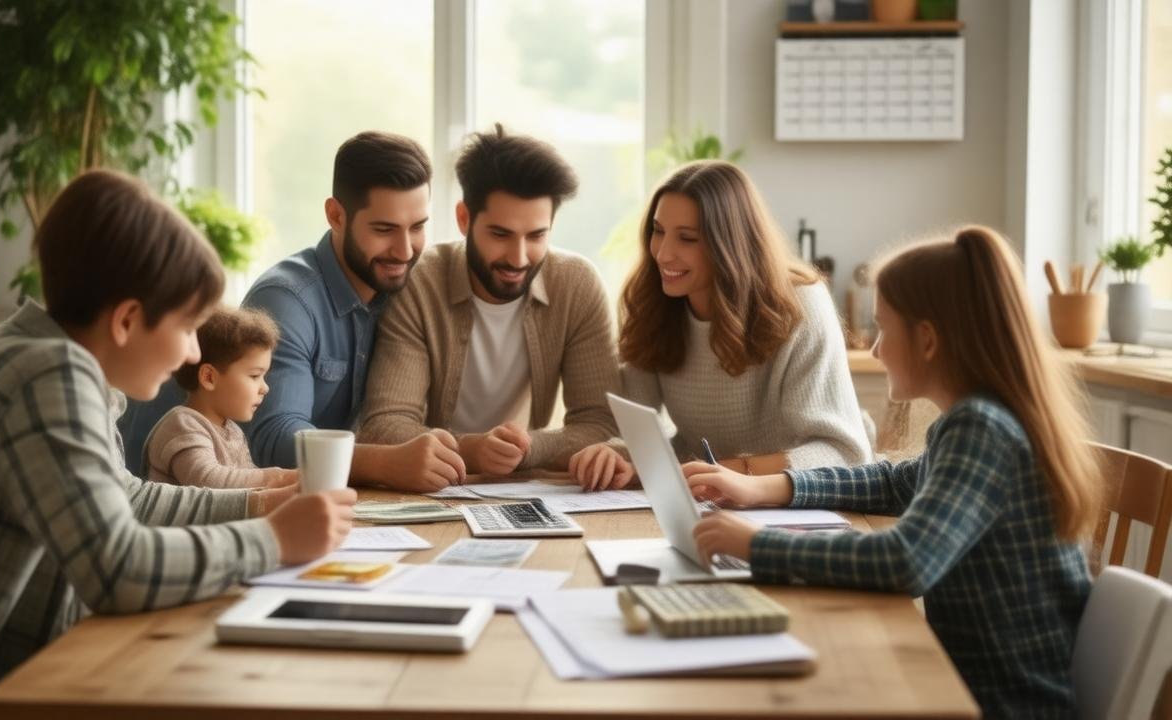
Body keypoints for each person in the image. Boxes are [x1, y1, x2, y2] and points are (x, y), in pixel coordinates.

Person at [0, 170, 356, 717]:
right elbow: (118, 571)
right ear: (127, 320)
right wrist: (273, 540)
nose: (192, 354)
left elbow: (124, 497)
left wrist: (260, 503)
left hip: (22, 673)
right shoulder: (50, 376)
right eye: (188, 327)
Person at [683, 226, 1102, 717]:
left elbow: (905, 561)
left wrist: (757, 545)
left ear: (927, 340)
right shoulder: (976, 420)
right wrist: (763, 488)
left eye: (884, 328)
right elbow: (892, 482)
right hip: (972, 691)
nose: (877, 350)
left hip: (1001, 705)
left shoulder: (982, 428)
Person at [119, 131, 459, 491]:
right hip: (161, 500)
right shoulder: (287, 299)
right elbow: (273, 439)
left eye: (417, 227)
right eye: (384, 229)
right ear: (336, 216)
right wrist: (386, 463)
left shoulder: (394, 291)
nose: (405, 250)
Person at [568, 160, 872, 491]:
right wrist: (619, 457)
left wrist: (731, 473)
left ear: (731, 244)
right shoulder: (652, 303)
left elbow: (846, 453)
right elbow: (641, 434)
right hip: (704, 495)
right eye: (658, 231)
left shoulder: (802, 305)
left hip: (795, 500)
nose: (663, 254)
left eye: (687, 238)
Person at [358, 124, 620, 490]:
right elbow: (384, 424)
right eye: (500, 234)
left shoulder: (577, 284)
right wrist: (471, 450)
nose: (518, 257)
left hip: (523, 487)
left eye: (536, 235)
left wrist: (528, 448)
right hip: (432, 489)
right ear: (464, 219)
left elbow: (601, 423)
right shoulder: (420, 283)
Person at [144, 306, 297, 488]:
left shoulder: (233, 430)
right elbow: (207, 480)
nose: (265, 388)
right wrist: (280, 478)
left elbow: (249, 484)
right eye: (255, 376)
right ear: (209, 377)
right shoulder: (182, 425)